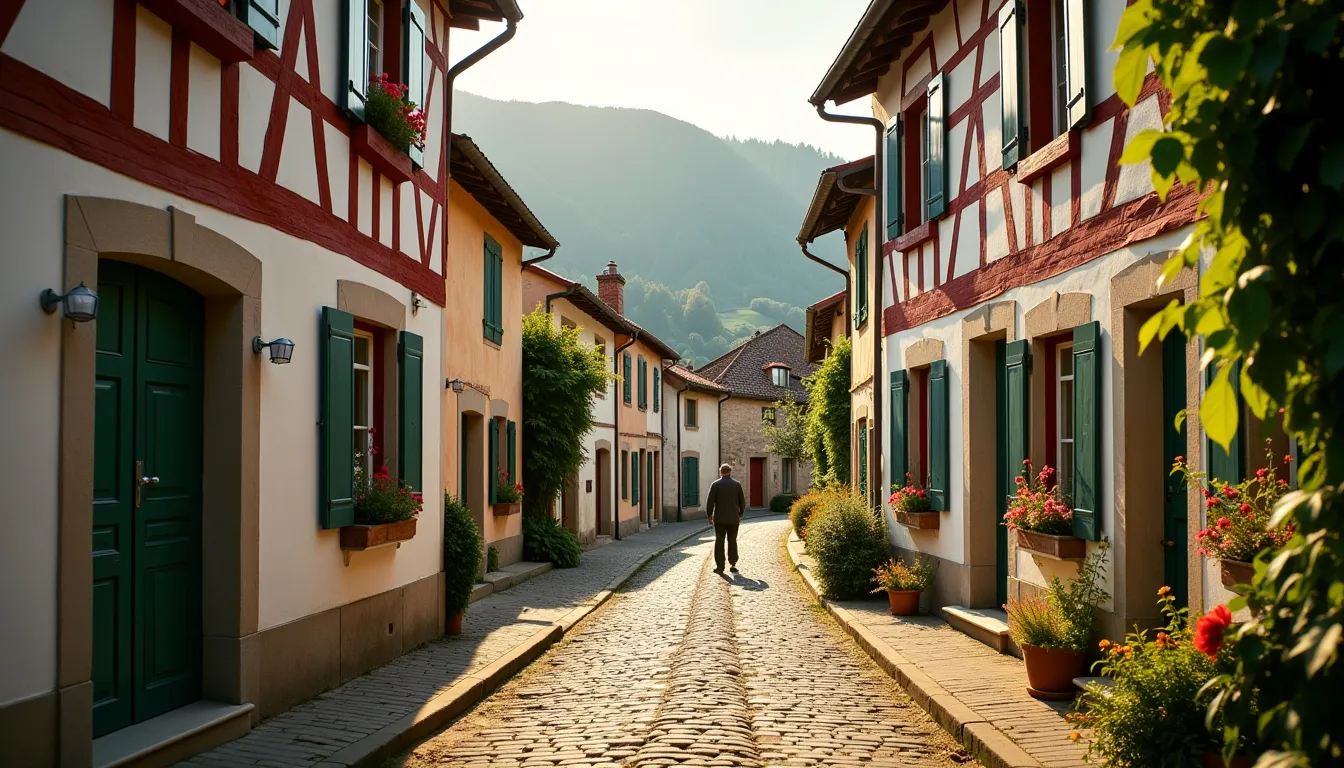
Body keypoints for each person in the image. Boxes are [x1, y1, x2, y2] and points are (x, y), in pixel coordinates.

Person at [705, 463, 746, 574]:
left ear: (720, 472)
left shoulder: (715, 485)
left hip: (720, 519)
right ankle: (733, 563)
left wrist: (709, 515)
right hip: (733, 518)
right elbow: (742, 501)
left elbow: (710, 502)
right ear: (730, 471)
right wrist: (741, 513)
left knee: (719, 541)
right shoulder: (737, 485)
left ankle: (720, 566)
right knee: (732, 540)